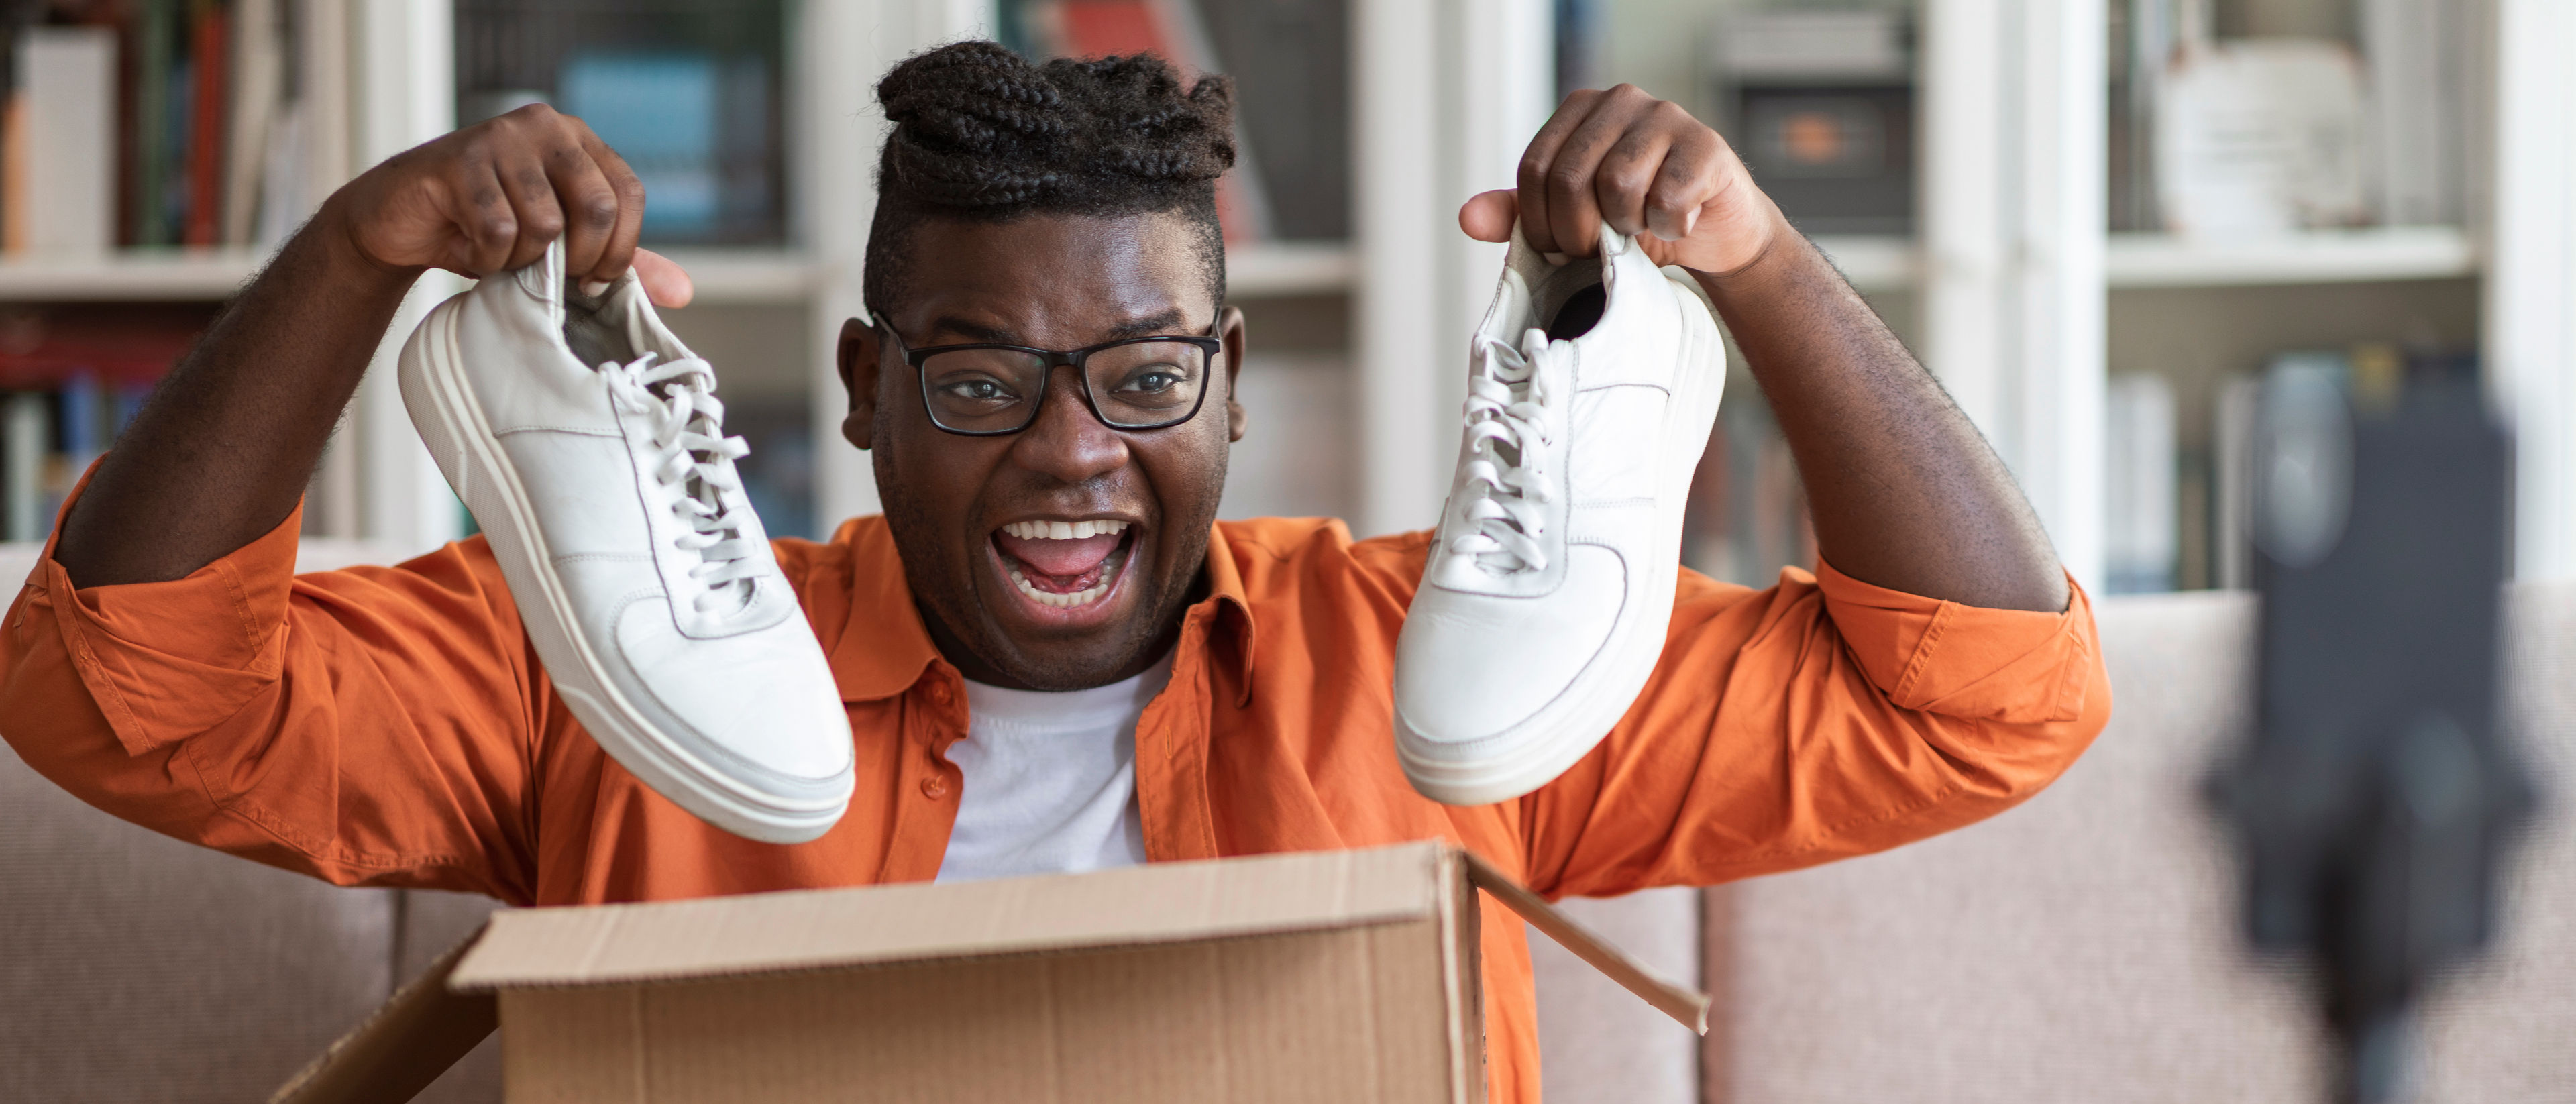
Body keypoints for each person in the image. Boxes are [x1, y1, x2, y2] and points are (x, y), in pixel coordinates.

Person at [0, 43, 2106, 1103]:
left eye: (1144, 375)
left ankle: (1610, 360)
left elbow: (1989, 701)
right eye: (989, 375)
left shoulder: (1436, 657)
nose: (1077, 450)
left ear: (1232, 388)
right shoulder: (606, 650)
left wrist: (1752, 263)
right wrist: (359, 256)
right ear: (864, 387)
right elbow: (123, 701)